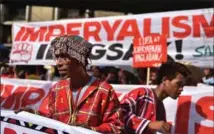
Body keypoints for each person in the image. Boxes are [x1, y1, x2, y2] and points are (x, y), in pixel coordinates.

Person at [16, 35, 124, 133]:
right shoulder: (57, 89)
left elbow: (117, 128)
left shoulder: (104, 90)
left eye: (64, 57)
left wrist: (91, 130)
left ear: (79, 59)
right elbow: (49, 120)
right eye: (57, 57)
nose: (58, 63)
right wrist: (33, 114)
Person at [121, 61, 191, 134]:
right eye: (179, 84)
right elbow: (118, 114)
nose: (181, 89)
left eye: (183, 86)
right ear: (165, 80)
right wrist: (148, 124)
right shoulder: (142, 94)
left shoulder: (161, 109)